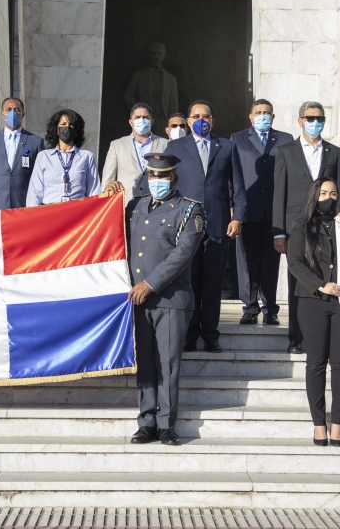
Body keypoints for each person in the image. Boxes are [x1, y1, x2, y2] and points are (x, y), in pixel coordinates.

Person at [127, 153, 206, 447]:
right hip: (138, 300)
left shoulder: (189, 210)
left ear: (174, 178)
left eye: (162, 176)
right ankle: (146, 422)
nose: (156, 181)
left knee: (168, 363)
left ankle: (166, 424)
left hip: (170, 299)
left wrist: (150, 284)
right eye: (152, 175)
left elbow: (182, 254)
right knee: (145, 363)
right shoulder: (134, 207)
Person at [167, 100, 247, 353]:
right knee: (189, 281)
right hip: (185, 225)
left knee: (212, 283)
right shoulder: (175, 146)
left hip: (217, 223)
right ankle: (189, 335)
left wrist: (237, 217)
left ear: (213, 120)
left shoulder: (227, 147)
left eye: (206, 116)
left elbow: (238, 185)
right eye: (196, 116)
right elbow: (168, 185)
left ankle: (211, 335)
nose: (201, 120)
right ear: (188, 121)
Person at [272, 101, 340, 354]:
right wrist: (278, 232)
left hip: (327, 225)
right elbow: (279, 193)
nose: (315, 123)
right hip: (297, 226)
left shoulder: (335, 152)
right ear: (300, 121)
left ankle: (326, 333)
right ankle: (297, 338)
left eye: (320, 119)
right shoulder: (285, 152)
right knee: (299, 279)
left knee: (327, 273)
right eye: (310, 118)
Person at [286, 176, 340, 447]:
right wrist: (321, 285)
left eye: (334, 194)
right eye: (324, 193)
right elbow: (295, 262)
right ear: (314, 196)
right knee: (316, 363)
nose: (329, 198)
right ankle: (318, 424)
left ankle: (338, 424)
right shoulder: (301, 226)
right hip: (312, 301)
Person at [230, 99, 294, 325]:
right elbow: (233, 175)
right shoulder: (237, 139)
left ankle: (270, 309)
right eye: (258, 112)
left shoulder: (285, 139)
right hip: (247, 210)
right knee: (247, 261)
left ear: (273, 116)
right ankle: (249, 308)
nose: (262, 116)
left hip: (274, 211)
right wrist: (234, 208)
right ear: (250, 116)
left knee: (270, 262)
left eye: (267, 112)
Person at [0, 98, 45, 210]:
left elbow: (41, 177)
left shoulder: (36, 142)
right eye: (8, 109)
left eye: (17, 110)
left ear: (23, 114)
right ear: (2, 114)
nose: (13, 113)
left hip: (24, 205)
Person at [27, 107, 101, 205]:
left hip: (77, 211)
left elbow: (94, 192)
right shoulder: (43, 157)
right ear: (56, 129)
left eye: (71, 125)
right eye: (63, 124)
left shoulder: (87, 157)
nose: (67, 128)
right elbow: (34, 193)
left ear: (76, 130)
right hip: (50, 210)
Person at [102, 103, 168, 203]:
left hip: (157, 203)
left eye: (145, 117)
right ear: (131, 122)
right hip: (127, 203)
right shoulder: (117, 145)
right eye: (137, 117)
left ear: (152, 122)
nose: (141, 120)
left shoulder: (165, 144)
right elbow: (108, 180)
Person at [123, 42, 179, 125]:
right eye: (153, 53)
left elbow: (174, 104)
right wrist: (139, 110)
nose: (156, 56)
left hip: (162, 120)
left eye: (159, 53)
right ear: (149, 55)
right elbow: (128, 96)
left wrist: (172, 123)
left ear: (164, 55)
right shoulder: (139, 75)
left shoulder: (171, 79)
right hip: (143, 120)